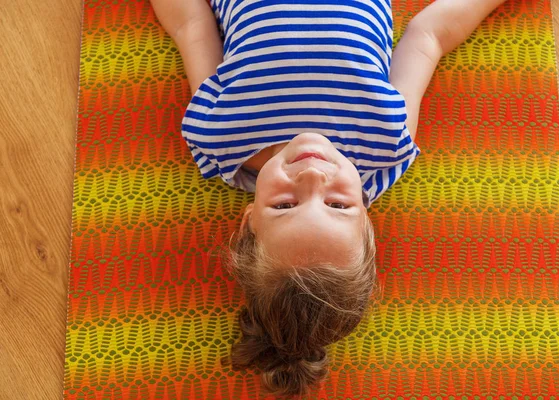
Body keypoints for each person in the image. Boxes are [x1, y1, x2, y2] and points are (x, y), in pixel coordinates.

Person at [149, 0, 508, 396]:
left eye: (285, 206)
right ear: (366, 222)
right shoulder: (385, 141)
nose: (313, 177)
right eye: (337, 206)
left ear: (248, 220)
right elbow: (429, 35)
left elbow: (191, 26)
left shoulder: (222, 138)